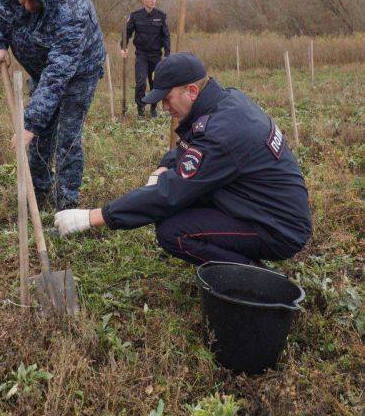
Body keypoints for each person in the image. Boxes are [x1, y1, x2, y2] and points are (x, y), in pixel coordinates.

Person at [54, 52, 312, 267]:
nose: (165, 107)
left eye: (167, 99)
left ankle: (253, 277)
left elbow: (169, 195)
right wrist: (164, 166)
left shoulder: (221, 134)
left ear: (191, 91)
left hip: (279, 228)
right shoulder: (225, 101)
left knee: (173, 232)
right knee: (185, 205)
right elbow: (191, 143)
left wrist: (93, 217)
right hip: (260, 204)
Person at [0, 0, 105, 210]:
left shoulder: (71, 7)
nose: (25, 6)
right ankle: (38, 192)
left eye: (32, 1)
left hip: (79, 71)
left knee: (67, 135)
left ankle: (67, 205)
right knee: (39, 135)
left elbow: (59, 73)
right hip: (40, 70)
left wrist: (29, 123)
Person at [121, 0, 170, 118]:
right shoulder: (135, 16)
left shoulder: (161, 16)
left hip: (156, 56)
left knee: (155, 83)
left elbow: (166, 36)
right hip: (141, 55)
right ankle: (140, 109)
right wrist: (123, 47)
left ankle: (154, 108)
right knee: (141, 82)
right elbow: (127, 33)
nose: (152, 0)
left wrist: (167, 54)